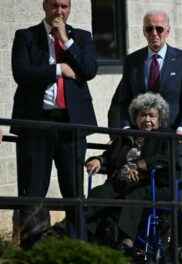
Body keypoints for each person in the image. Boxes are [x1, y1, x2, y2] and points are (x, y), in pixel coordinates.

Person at [11, 0, 98, 249]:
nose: (59, 11)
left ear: (69, 8)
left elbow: (89, 69)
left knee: (73, 190)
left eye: (64, 6)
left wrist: (65, 40)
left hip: (70, 125)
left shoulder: (81, 37)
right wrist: (59, 68)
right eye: (54, 6)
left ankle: (78, 248)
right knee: (34, 189)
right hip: (38, 123)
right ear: (44, 6)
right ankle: (32, 249)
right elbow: (22, 73)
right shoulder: (26, 36)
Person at [118, 10, 182, 255]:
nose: (154, 33)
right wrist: (124, 130)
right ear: (143, 31)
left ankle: (180, 248)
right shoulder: (133, 61)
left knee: (178, 196)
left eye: (159, 29)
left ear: (168, 31)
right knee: (138, 190)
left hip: (174, 142)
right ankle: (142, 244)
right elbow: (123, 101)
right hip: (141, 145)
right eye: (149, 29)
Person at [86, 92, 172, 258]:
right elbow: (110, 155)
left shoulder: (166, 136)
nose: (147, 120)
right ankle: (90, 238)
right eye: (143, 115)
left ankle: (127, 241)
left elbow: (167, 159)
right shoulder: (127, 136)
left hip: (153, 184)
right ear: (135, 118)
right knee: (98, 193)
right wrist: (98, 160)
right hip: (122, 183)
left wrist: (141, 166)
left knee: (135, 192)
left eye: (152, 116)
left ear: (159, 118)